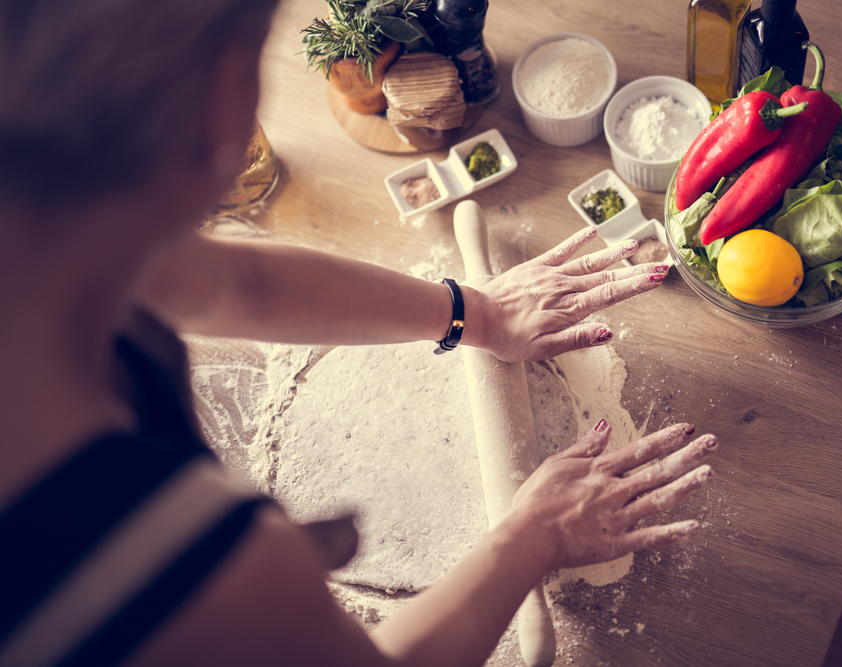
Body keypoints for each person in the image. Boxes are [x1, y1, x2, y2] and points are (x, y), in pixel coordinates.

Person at [0, 1, 717, 666]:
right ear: (225, 102)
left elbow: (231, 285)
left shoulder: (49, 221)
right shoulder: (170, 559)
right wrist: (534, 535)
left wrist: (478, 312)